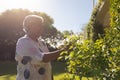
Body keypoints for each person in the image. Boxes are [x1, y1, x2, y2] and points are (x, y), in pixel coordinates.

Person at [15, 15, 67, 80]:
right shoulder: (23, 42)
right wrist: (64, 50)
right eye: (38, 25)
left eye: (42, 25)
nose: (42, 28)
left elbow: (47, 63)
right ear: (29, 26)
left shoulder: (42, 43)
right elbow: (42, 58)